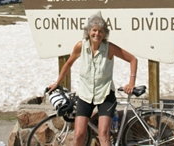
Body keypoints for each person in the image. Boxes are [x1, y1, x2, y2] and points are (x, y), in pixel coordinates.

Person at [48, 12, 138, 146]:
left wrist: (131, 82)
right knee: (79, 134)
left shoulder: (109, 48)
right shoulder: (81, 46)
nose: (97, 34)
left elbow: (132, 59)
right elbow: (68, 64)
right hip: (85, 94)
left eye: (101, 31)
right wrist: (57, 83)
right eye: (94, 30)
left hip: (105, 94)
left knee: (104, 135)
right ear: (88, 31)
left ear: (105, 33)